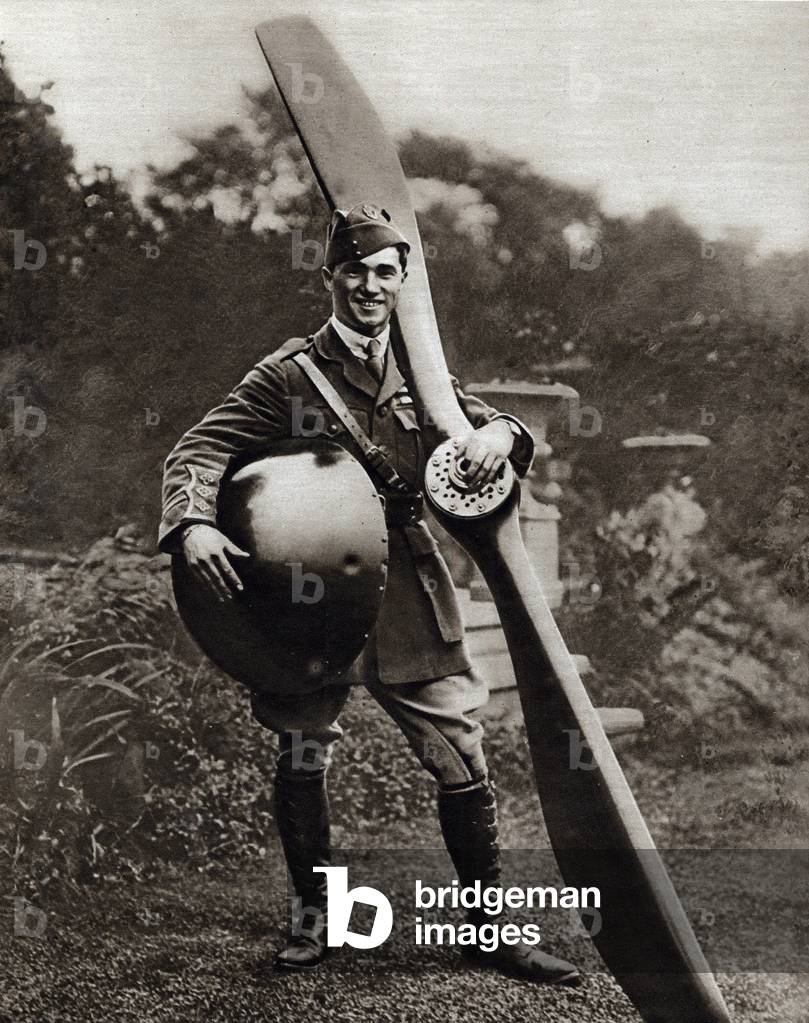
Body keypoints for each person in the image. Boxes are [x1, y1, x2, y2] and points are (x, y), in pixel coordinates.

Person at [158, 202, 579, 985]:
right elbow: (200, 447)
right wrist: (192, 526)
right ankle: (315, 921)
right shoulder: (288, 374)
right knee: (303, 748)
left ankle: (488, 932)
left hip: (406, 589)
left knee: (459, 753)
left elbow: (492, 427)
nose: (369, 285)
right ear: (330, 278)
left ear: (401, 280)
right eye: (353, 270)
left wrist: (499, 435)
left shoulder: (422, 369)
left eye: (385, 271)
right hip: (307, 590)